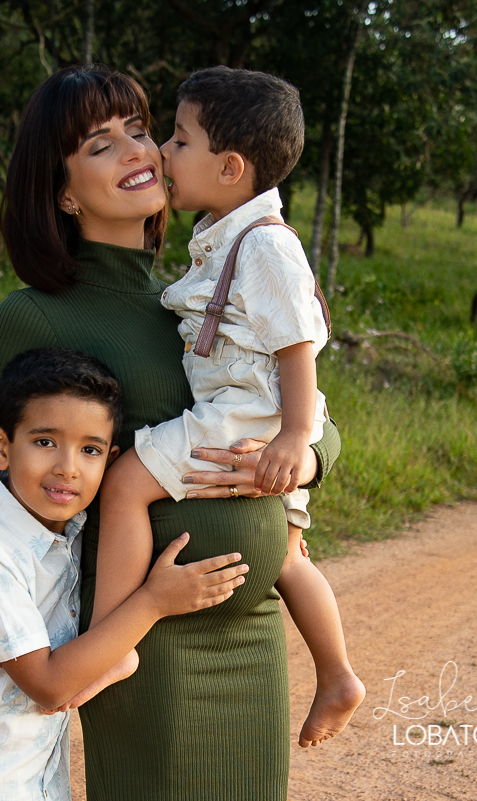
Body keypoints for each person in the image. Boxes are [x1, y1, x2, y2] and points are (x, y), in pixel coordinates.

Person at [0, 65, 341, 801]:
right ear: (64, 191)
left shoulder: (195, 297)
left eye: (140, 130)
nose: (139, 150)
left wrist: (310, 460)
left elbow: (313, 414)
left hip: (251, 626)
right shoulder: (35, 315)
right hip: (144, 637)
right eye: (102, 144)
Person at [91, 67, 365, 749]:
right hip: (254, 415)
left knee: (124, 484)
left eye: (179, 140)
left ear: (230, 167)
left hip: (247, 415)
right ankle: (337, 674)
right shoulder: (224, 234)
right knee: (290, 556)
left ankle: (108, 639)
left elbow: (296, 343)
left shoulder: (265, 243)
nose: (162, 151)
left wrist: (294, 437)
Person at [0, 348, 248, 801]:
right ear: (1, 447)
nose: (68, 467)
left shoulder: (64, 523)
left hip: (13, 774)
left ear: (109, 460)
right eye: (45, 442)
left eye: (90, 450)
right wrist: (153, 603)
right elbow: (49, 687)